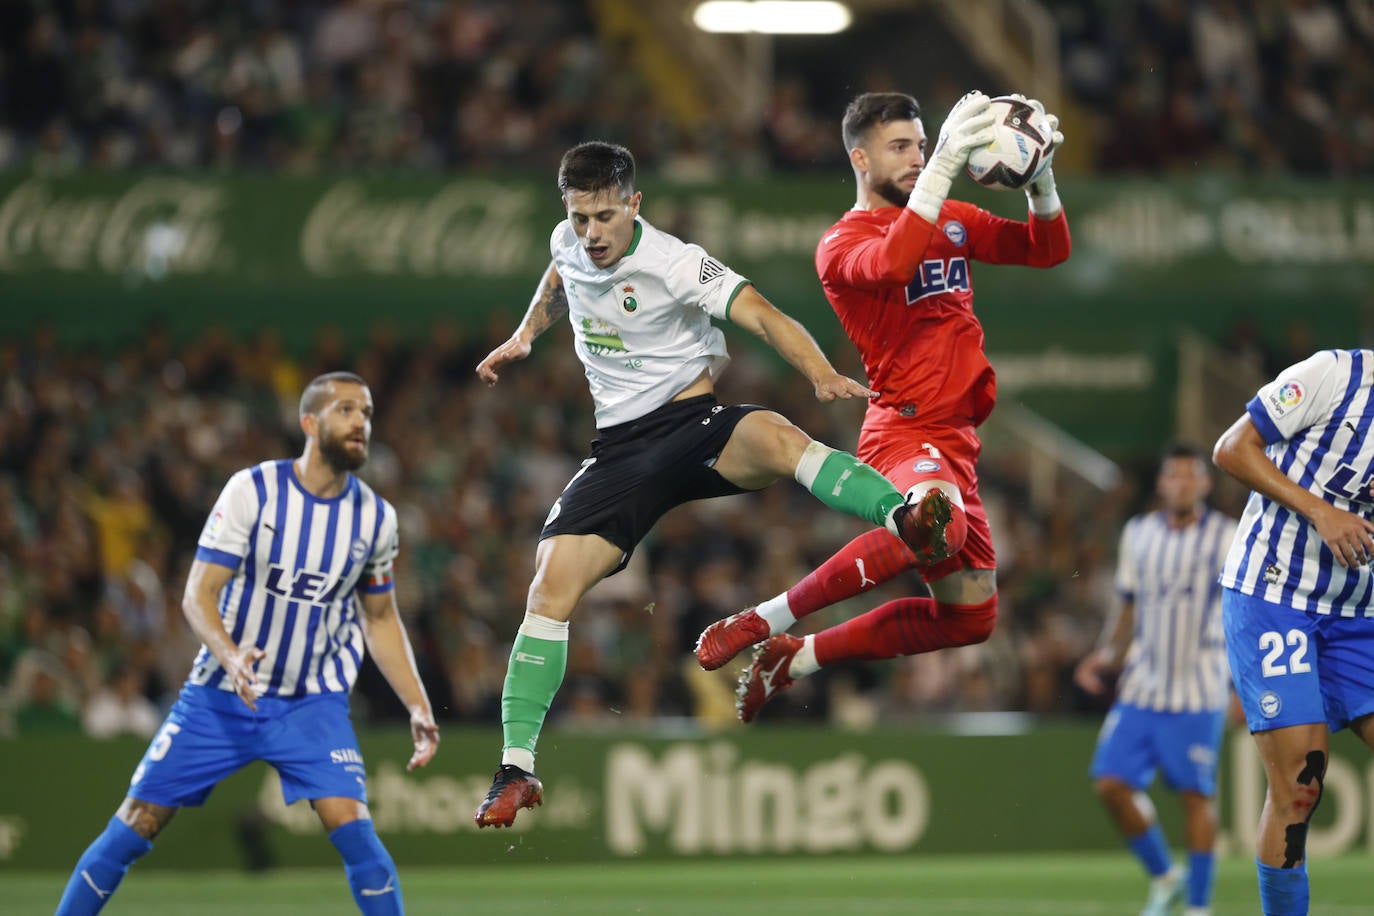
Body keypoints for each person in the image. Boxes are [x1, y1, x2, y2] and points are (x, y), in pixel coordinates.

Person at [471, 140, 944, 828]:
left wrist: (817, 371)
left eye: (605, 217)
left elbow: (763, 314)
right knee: (548, 587)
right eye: (579, 218)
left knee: (782, 440)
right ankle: (516, 768)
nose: (591, 233)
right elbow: (559, 275)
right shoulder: (569, 241)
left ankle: (901, 515)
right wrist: (525, 336)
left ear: (634, 204)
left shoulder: (675, 261)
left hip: (696, 427)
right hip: (621, 451)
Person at [693, 90, 1072, 722]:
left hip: (956, 440)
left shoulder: (950, 216)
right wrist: (948, 169)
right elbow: (896, 263)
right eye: (902, 147)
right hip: (903, 429)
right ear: (860, 159)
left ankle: (798, 656)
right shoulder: (840, 244)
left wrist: (1043, 179)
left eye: (923, 145)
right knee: (929, 528)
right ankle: (763, 619)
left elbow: (1047, 249)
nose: (919, 158)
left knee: (971, 617)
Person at [56, 372, 440, 916]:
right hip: (221, 696)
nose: (361, 423)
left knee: (359, 839)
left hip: (312, 703)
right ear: (310, 423)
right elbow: (198, 593)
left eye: (368, 413)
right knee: (135, 825)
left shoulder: (377, 519)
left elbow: (380, 618)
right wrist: (230, 654)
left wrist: (418, 704)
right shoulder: (253, 491)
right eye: (347, 410)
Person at [1213, 348, 1374, 916]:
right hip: (1273, 596)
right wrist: (1319, 510)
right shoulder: (1335, 374)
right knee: (1300, 785)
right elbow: (1231, 448)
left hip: (1359, 611)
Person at [1073, 444, 1237, 916]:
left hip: (1199, 688)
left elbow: (1242, 610)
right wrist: (1106, 655)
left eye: (1191, 476)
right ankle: (1166, 876)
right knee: (1109, 784)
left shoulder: (1225, 537)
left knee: (1196, 797)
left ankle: (1199, 908)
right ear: (1162, 484)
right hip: (1143, 686)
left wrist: (1244, 683)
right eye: (1174, 476)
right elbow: (1127, 604)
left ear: (1204, 484)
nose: (1182, 484)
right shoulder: (1139, 533)